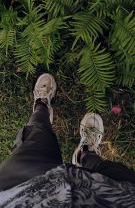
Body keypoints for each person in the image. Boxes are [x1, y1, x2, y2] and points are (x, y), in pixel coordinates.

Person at [0, 73, 134, 208]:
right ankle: (85, 153)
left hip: (20, 191)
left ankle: (42, 105)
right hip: (111, 198)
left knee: (35, 138)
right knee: (104, 171)